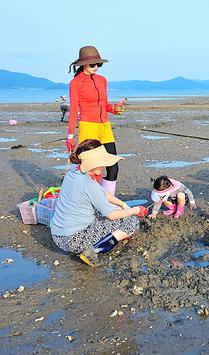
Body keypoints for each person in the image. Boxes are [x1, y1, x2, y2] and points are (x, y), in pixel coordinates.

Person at [50, 139, 147, 267]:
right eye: (101, 163)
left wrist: (122, 205)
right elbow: (111, 215)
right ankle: (93, 250)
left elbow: (102, 193)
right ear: (91, 163)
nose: (103, 166)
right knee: (132, 222)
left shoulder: (74, 171)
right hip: (72, 239)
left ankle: (106, 237)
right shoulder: (89, 184)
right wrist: (136, 210)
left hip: (57, 233)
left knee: (105, 211)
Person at [66, 45, 125, 195]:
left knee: (113, 166)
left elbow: (104, 104)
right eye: (93, 64)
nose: (96, 67)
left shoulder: (102, 80)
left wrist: (115, 109)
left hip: (105, 127)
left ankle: (106, 203)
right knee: (91, 169)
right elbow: (73, 110)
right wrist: (70, 136)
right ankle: (90, 200)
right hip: (88, 127)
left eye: (99, 64)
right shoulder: (76, 83)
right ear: (83, 65)